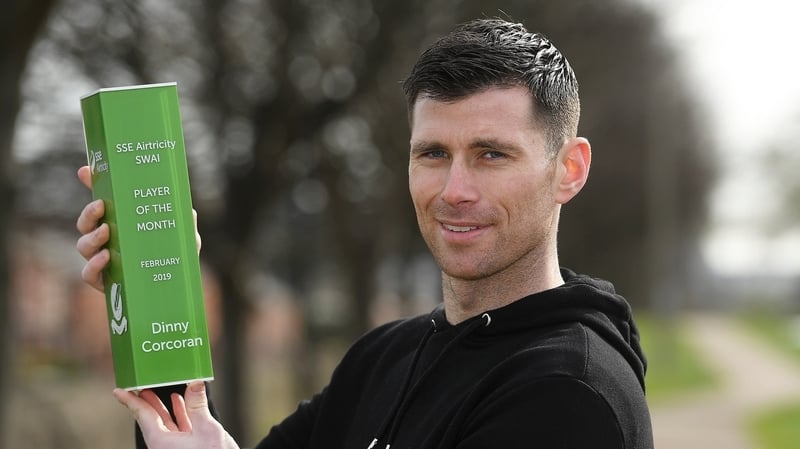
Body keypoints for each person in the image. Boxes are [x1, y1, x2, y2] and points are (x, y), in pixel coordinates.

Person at [76, 18, 653, 449]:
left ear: (568, 169)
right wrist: (160, 287)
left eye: (491, 154)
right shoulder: (386, 357)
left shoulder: (569, 394)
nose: (454, 189)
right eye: (432, 153)